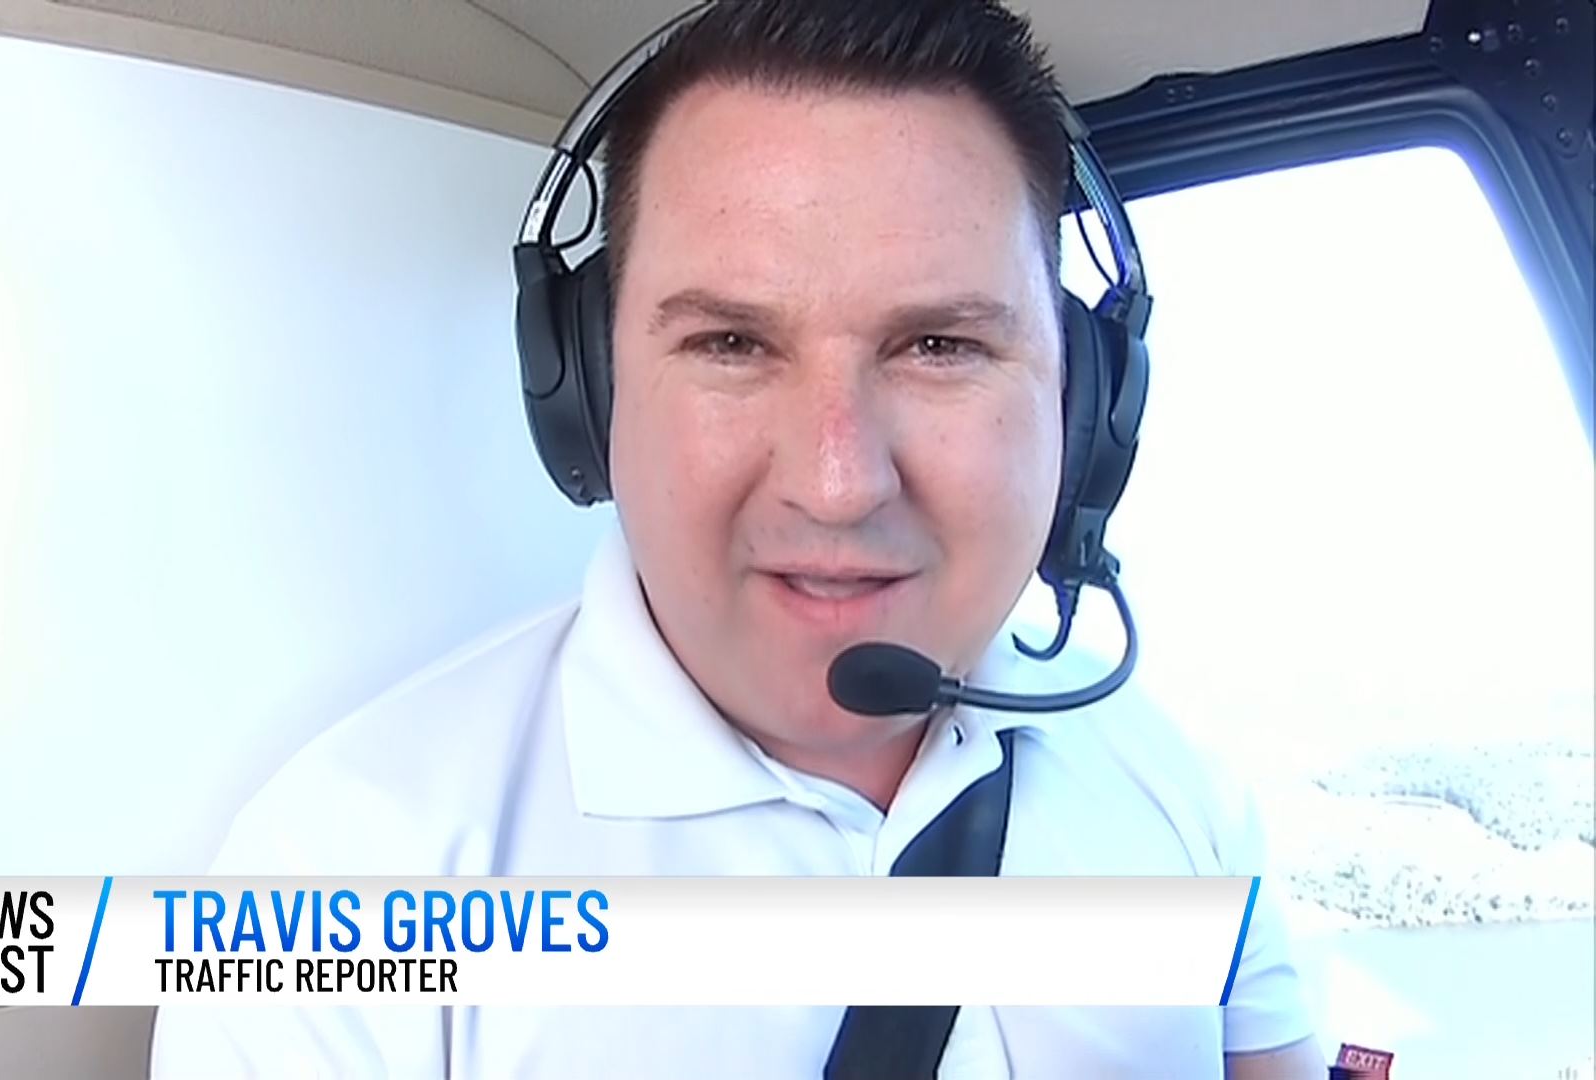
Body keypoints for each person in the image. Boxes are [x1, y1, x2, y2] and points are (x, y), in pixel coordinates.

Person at [151, 1, 1323, 1076]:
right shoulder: (343, 870)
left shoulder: (1181, 796)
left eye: (940, 347)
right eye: (731, 345)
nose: (838, 483)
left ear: (1087, 402)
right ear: (588, 392)